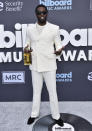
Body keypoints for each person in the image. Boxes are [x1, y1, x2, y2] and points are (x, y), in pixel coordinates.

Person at [24, 4, 64, 126]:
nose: (42, 15)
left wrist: (59, 51)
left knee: (53, 92)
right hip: (35, 65)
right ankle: (34, 114)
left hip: (49, 64)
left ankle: (56, 116)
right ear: (36, 14)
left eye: (44, 12)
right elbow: (27, 44)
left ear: (47, 13)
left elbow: (58, 44)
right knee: (36, 91)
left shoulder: (54, 28)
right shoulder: (29, 29)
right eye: (39, 13)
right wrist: (26, 49)